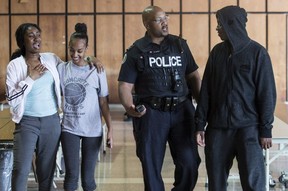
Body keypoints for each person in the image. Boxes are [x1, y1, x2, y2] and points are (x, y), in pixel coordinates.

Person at [5, 23, 103, 191]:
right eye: (31, 35)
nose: (36, 38)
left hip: (51, 121)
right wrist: (30, 78)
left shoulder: (50, 59)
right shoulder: (15, 65)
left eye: (38, 34)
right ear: (22, 41)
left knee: (46, 171)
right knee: (21, 170)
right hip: (27, 122)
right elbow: (11, 98)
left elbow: (73, 64)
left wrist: (90, 58)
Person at [118, 5, 201, 191]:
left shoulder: (180, 45)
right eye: (159, 19)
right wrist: (130, 108)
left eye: (166, 18)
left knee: (190, 162)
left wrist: (202, 109)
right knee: (151, 165)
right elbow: (124, 86)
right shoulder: (136, 51)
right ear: (147, 24)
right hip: (152, 113)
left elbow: (194, 76)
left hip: (182, 111)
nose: (165, 22)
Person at [195, 5, 277, 191]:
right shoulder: (217, 53)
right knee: (216, 183)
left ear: (232, 25)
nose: (217, 28)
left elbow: (267, 93)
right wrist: (200, 124)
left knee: (253, 183)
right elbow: (206, 90)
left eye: (220, 24)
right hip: (218, 129)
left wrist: (266, 129)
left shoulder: (258, 53)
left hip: (248, 129)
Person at [57, 23, 113, 191]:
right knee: (71, 176)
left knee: (88, 179)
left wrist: (110, 129)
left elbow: (103, 102)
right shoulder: (62, 69)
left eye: (80, 51)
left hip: (92, 130)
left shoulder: (97, 71)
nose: (75, 54)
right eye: (72, 50)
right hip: (69, 128)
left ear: (87, 48)